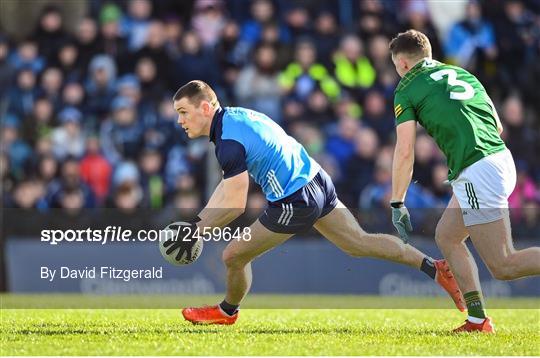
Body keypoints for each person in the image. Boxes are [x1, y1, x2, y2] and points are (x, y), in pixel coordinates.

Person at [166, 80, 464, 325]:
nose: (180, 121)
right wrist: (198, 221)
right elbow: (227, 187)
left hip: (295, 199)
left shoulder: (228, 141)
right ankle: (434, 267)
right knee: (359, 242)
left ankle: (226, 312)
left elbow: (234, 202)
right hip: (316, 179)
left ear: (205, 108)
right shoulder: (235, 119)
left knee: (233, 257)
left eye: (183, 112)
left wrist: (196, 229)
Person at [388, 29, 540, 333]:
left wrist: (397, 200)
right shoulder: (460, 72)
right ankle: (477, 319)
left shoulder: (407, 87)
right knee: (447, 235)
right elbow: (496, 126)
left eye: (395, 66)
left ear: (403, 64)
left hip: (477, 170)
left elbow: (405, 151)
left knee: (503, 264)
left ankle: (479, 320)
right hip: (500, 159)